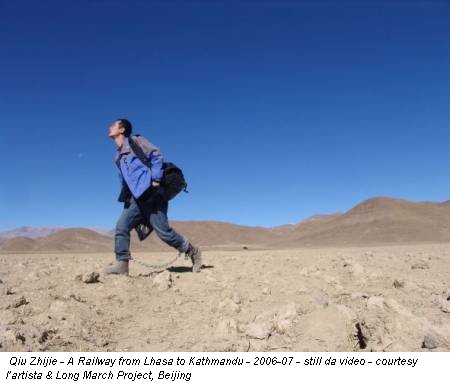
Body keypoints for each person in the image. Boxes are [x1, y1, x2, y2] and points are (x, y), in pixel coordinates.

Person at [105, 118, 201, 275]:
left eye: (113, 125)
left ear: (122, 130)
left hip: (152, 194)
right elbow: (124, 179)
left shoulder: (136, 141)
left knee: (164, 233)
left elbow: (156, 155)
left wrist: (156, 179)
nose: (109, 127)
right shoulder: (118, 157)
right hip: (135, 199)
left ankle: (193, 251)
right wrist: (126, 196)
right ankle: (122, 265)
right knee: (121, 226)